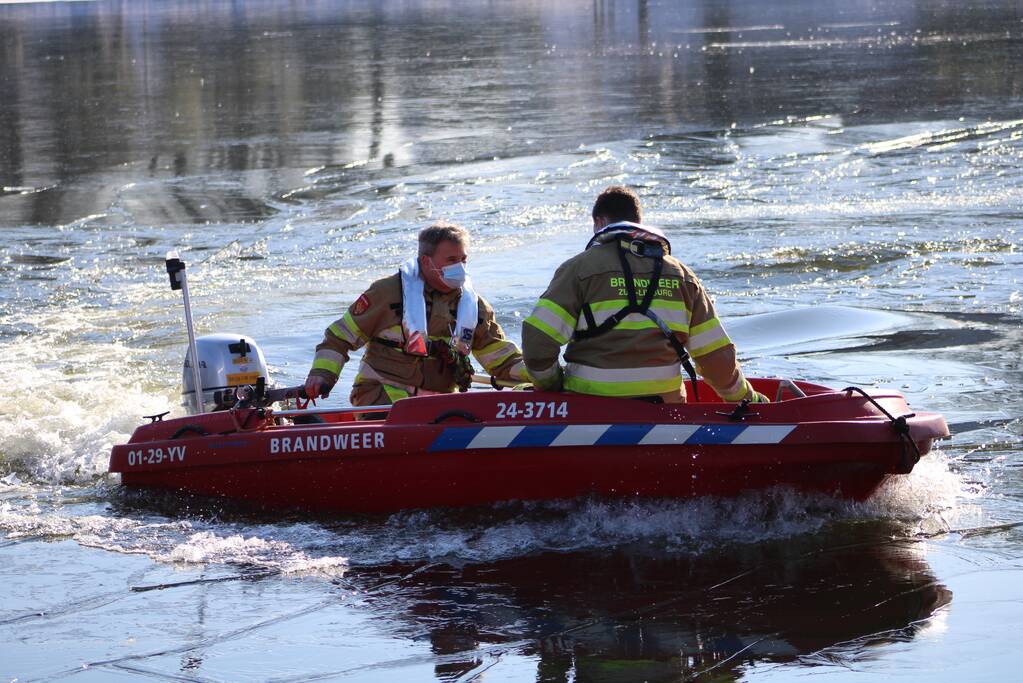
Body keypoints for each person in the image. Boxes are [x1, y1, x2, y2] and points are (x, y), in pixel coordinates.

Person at [522, 186, 768, 404]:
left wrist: (550, 387)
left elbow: (538, 342)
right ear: (638, 221)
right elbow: (715, 358)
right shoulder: (683, 276)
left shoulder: (578, 270)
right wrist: (748, 399)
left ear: (599, 221)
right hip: (665, 411)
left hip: (589, 407)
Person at [305, 222, 528, 409]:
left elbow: (501, 358)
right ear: (425, 261)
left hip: (439, 403)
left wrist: (540, 373)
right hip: (382, 396)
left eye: (463, 259)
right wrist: (322, 375)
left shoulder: (475, 307)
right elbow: (339, 338)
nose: (459, 267)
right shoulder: (387, 294)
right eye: (451, 260)